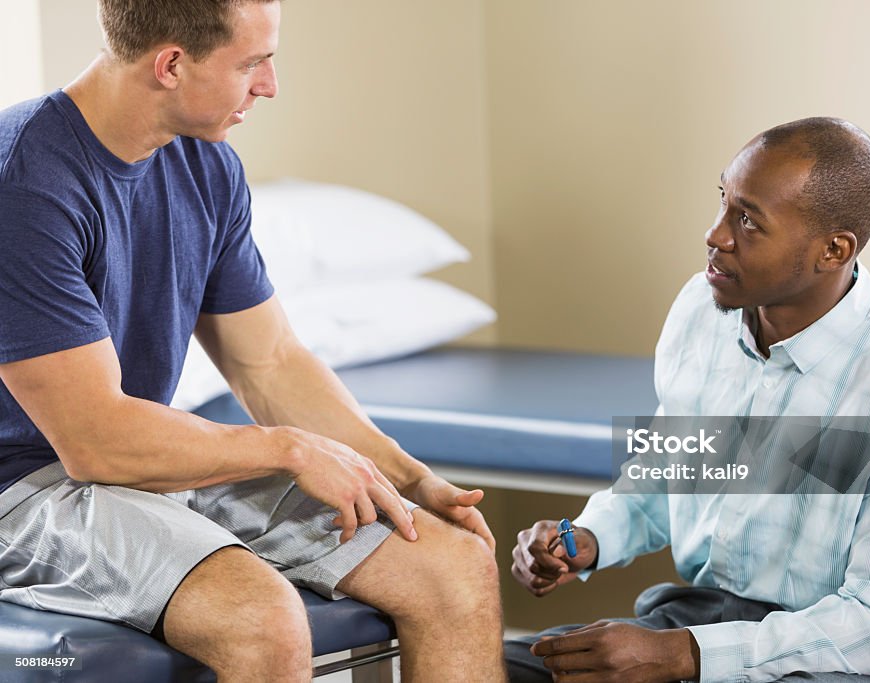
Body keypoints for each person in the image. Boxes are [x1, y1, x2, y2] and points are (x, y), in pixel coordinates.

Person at [0, 1, 505, 681]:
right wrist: (292, 448)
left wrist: (407, 477)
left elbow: (269, 361)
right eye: (253, 63)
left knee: (452, 563)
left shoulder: (206, 167)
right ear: (171, 64)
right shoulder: (26, 180)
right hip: (27, 488)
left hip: (144, 468)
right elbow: (94, 441)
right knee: (259, 615)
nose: (270, 85)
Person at [505, 118, 870, 682]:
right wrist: (588, 537)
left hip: (840, 664)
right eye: (724, 201)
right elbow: (669, 471)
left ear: (834, 249)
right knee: (483, 668)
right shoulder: (700, 312)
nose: (716, 235)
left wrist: (684, 655)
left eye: (748, 220)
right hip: (693, 621)